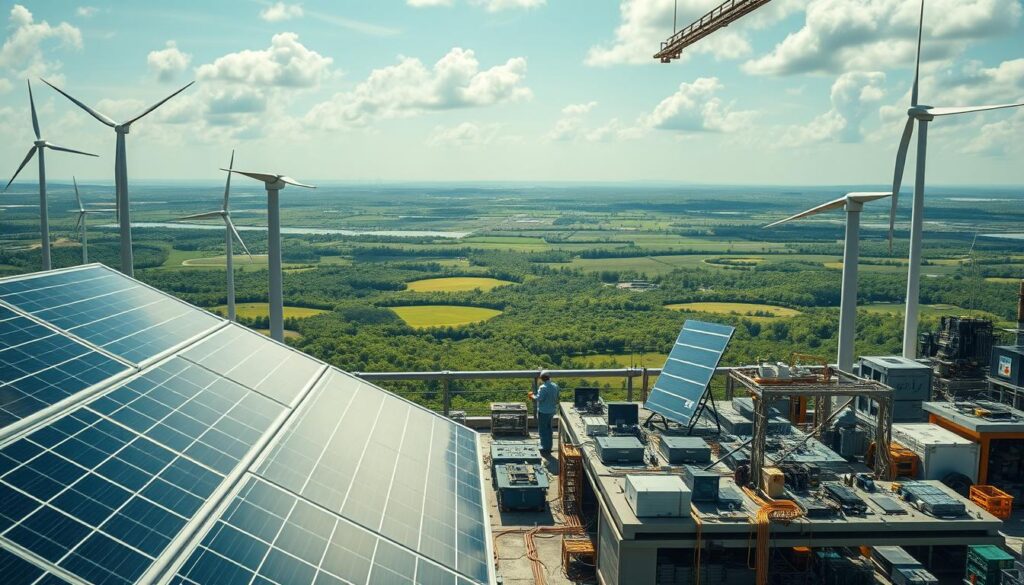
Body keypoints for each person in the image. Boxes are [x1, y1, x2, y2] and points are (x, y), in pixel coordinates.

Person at [530, 370, 559, 455]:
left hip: (543, 411)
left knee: (543, 430)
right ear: (549, 377)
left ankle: (544, 447)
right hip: (552, 410)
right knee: (549, 428)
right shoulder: (555, 386)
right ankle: (549, 446)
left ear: (542, 378)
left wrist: (532, 396)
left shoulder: (543, 387)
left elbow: (539, 398)